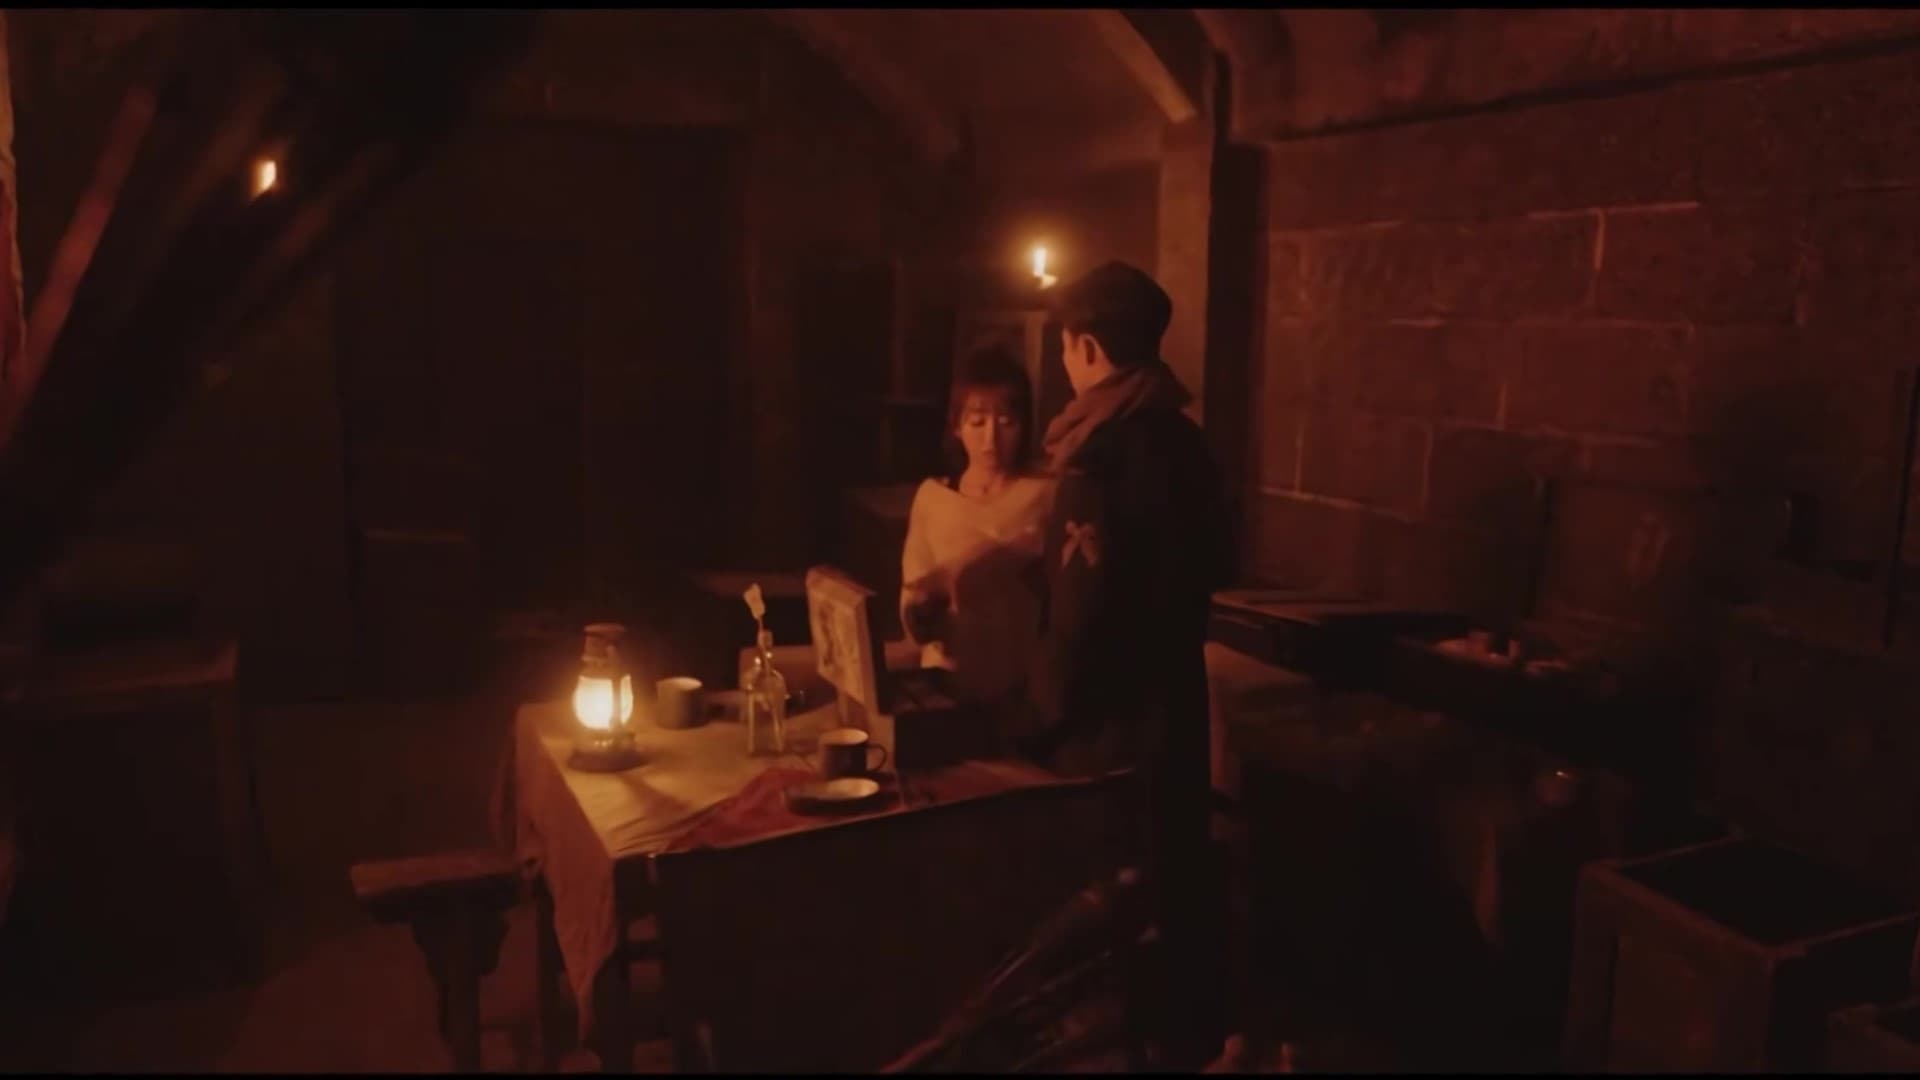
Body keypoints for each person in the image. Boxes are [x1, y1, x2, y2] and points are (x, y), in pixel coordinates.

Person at [1018, 260, 1235, 1069]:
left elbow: (1080, 619)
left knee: (1109, 907)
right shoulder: (1186, 441)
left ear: (1085, 347)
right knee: (1174, 881)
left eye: (1065, 347)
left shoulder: (1099, 455)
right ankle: (1187, 1041)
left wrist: (1037, 719)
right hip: (1175, 704)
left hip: (1108, 731)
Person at [899, 345, 1055, 706]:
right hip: (946, 682)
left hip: (1019, 686)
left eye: (1006, 422)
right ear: (957, 425)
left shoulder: (1046, 494)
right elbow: (912, 593)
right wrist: (920, 613)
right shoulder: (933, 498)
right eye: (977, 422)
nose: (991, 440)